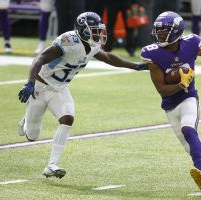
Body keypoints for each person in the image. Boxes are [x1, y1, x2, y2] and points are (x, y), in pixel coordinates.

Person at [17, 12, 148, 179]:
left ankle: (51, 165)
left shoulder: (92, 45)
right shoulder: (68, 42)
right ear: (83, 30)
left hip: (61, 88)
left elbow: (107, 56)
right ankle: (26, 119)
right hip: (40, 86)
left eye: (99, 30)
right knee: (32, 135)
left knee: (67, 118)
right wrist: (29, 82)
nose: (98, 34)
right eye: (94, 30)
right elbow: (40, 58)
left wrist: (135, 66)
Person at [140, 11, 201, 191]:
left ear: (176, 31)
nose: (159, 34)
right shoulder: (152, 54)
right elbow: (162, 89)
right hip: (170, 104)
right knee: (198, 151)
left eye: (164, 31)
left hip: (189, 98)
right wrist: (180, 84)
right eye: (158, 31)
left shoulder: (191, 43)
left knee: (188, 128)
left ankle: (198, 170)